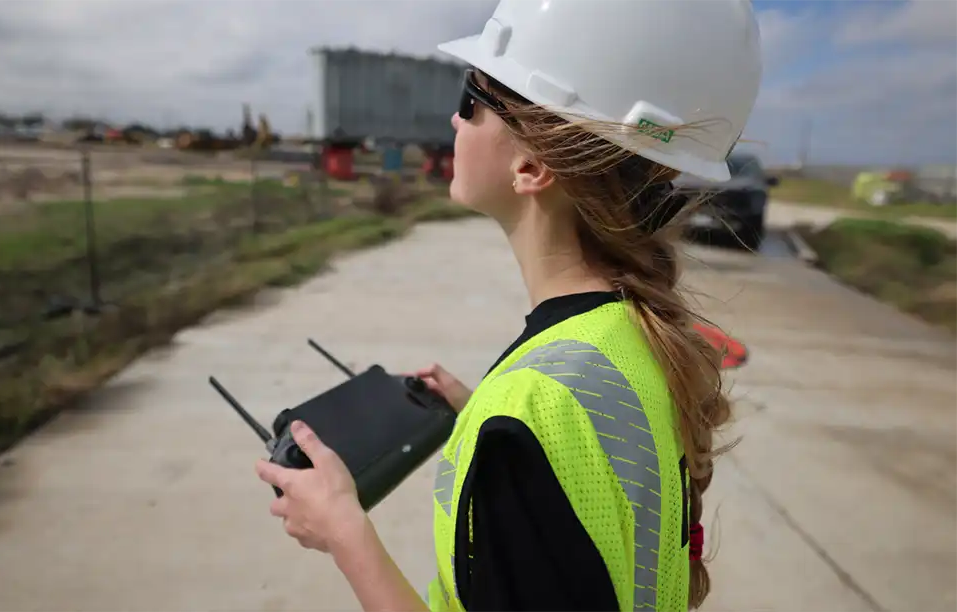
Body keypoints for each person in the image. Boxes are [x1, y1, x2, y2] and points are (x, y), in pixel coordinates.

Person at [253, 0, 762, 610]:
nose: (455, 118)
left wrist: (343, 531)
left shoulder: (527, 419)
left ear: (530, 165)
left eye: (472, 98)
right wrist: (478, 416)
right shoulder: (632, 340)